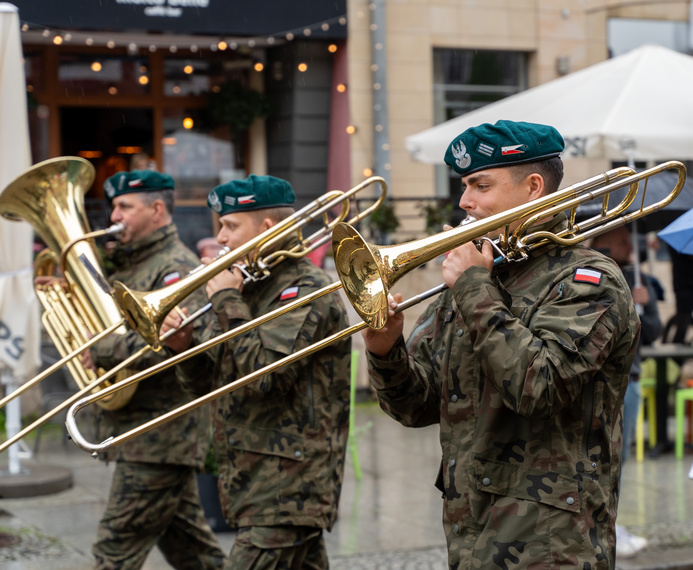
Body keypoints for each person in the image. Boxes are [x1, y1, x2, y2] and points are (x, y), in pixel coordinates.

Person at [362, 120, 640, 568]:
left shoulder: (588, 279)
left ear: (532, 187)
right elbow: (416, 407)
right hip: (471, 532)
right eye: (465, 185)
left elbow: (539, 387)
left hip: (551, 543)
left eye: (480, 185)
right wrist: (385, 351)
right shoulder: (476, 277)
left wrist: (473, 285)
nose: (464, 201)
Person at [160, 174, 352, 569]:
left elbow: (264, 376)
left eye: (231, 225)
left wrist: (227, 301)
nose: (221, 237)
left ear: (266, 228)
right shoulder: (245, 288)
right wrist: (184, 348)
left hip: (288, 487)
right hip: (253, 481)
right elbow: (208, 386)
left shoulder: (304, 289)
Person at [86, 170, 225, 569]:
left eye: (124, 206)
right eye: (114, 206)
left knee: (114, 550)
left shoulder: (176, 268)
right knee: (193, 552)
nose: (114, 215)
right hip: (144, 433)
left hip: (161, 435)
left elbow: (173, 344)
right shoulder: (131, 263)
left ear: (157, 210)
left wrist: (102, 350)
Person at [590, 225, 662, 558]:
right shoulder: (588, 271)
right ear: (603, 240)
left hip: (629, 383)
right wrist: (625, 305)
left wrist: (643, 307)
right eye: (622, 241)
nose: (629, 248)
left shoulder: (638, 278)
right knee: (597, 461)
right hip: (596, 387)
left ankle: (610, 525)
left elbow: (654, 332)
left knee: (618, 460)